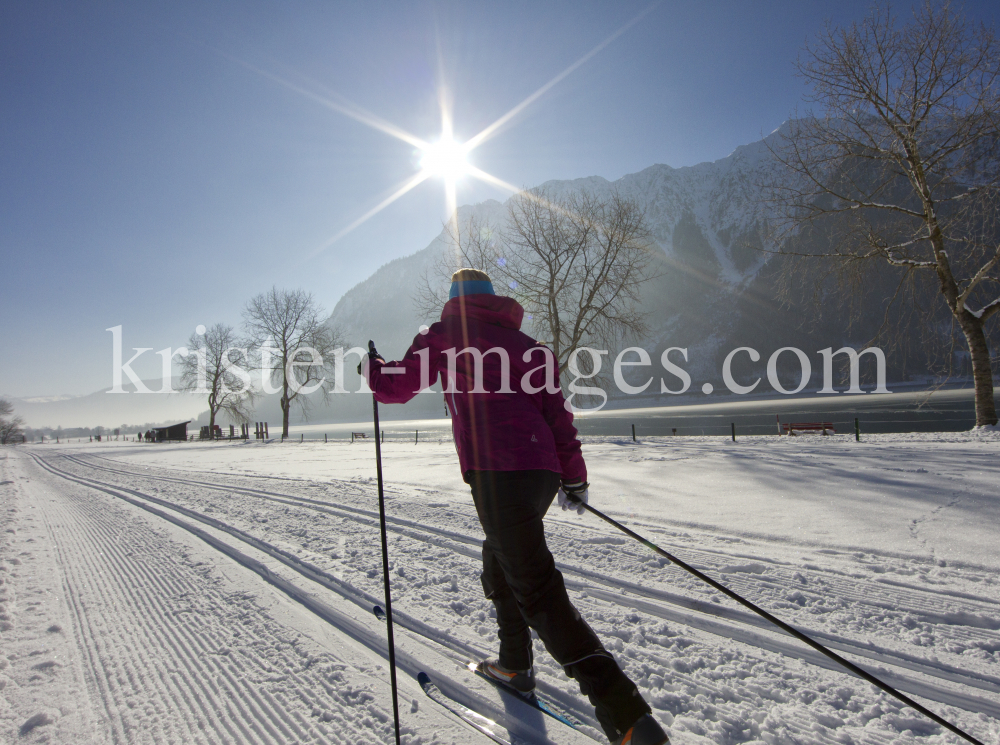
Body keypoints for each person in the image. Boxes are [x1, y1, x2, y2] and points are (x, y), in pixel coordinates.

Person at [363, 268, 668, 745]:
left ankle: (628, 716)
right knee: (500, 557)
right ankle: (514, 664)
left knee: (537, 589)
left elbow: (395, 388)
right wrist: (574, 476)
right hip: (539, 473)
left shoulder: (442, 337)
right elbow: (557, 417)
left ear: (453, 301)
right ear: (493, 300)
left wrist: (373, 368)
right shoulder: (531, 349)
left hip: (496, 473)